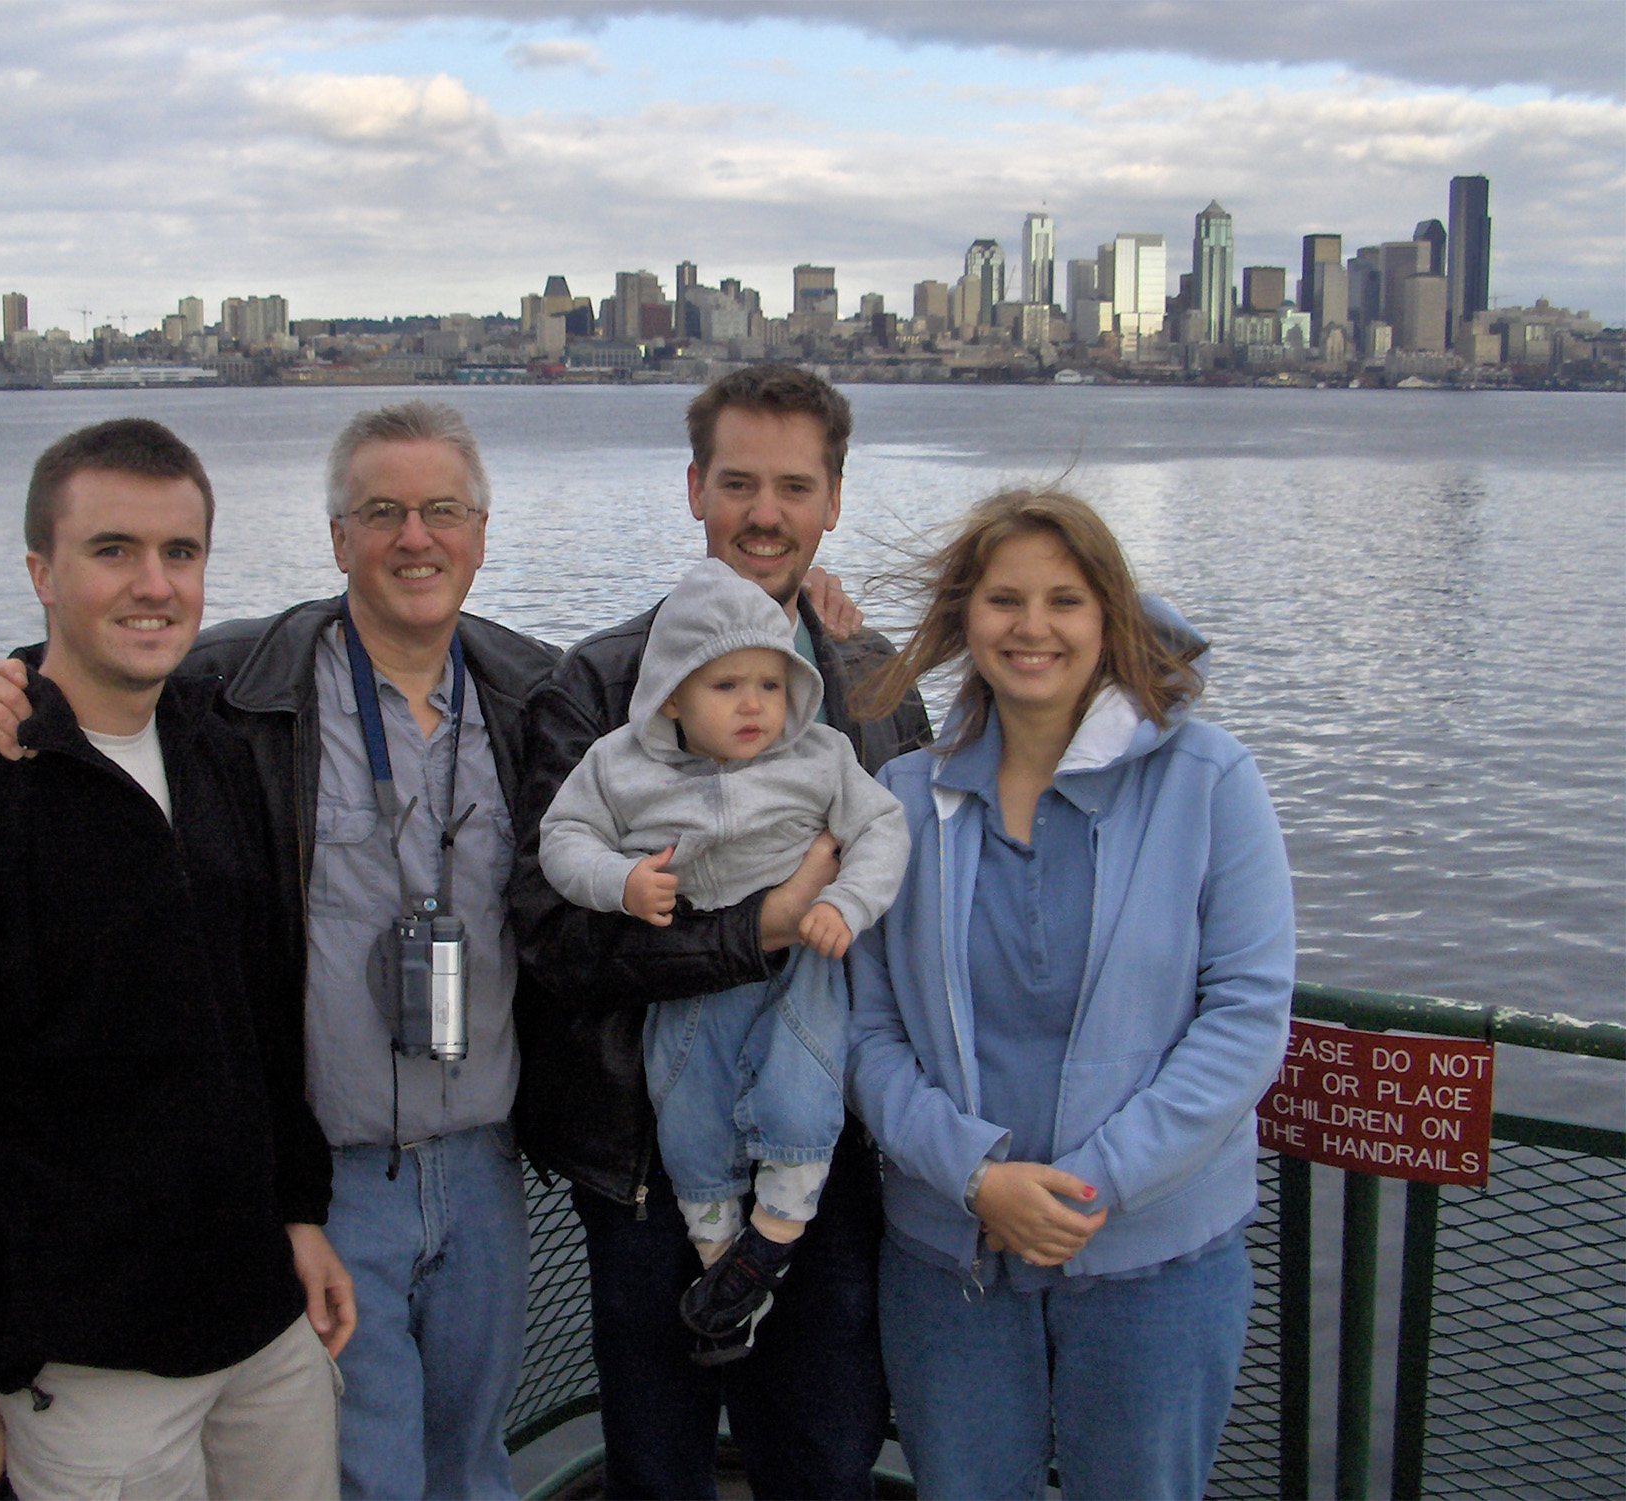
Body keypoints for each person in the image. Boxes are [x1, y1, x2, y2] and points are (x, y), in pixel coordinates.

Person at [0, 401, 559, 1501]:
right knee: (365, 1473)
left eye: (442, 510)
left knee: (471, 1462)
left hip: (489, 1164)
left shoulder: (539, 691)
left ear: (482, 531)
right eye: (381, 512)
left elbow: (703, 699)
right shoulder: (244, 685)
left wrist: (829, 628)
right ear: (336, 537)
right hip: (332, 1172)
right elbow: (101, 673)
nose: (415, 537)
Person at [0, 418, 353, 1501]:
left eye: (181, 552)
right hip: (88, 1366)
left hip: (263, 1323)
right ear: (41, 571)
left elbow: (264, 1013)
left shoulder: (215, 754)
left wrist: (297, 1210)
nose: (152, 585)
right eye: (112, 550)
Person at [511, 364, 930, 1498]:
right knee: (657, 1469)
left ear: (832, 502)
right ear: (692, 489)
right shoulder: (599, 686)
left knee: (825, 1457)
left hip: (831, 1168)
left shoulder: (874, 682)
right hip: (649, 1171)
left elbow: (917, 907)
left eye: (792, 486)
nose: (763, 513)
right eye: (737, 481)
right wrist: (764, 929)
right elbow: (551, 938)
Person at [844, 488, 1296, 1500]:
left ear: (1108, 619)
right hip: (947, 1258)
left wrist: (1094, 1184)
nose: (1032, 626)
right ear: (967, 615)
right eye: (1004, 599)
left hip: (1157, 1262)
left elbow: (1244, 1015)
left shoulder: (1209, 779)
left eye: (1064, 599)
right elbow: (867, 1033)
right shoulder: (905, 801)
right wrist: (973, 1177)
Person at [538, 556, 909, 1365]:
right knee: (690, 1120)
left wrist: (844, 905)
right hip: (687, 977)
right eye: (726, 685)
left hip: (799, 965)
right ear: (671, 693)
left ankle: (771, 1237)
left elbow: (884, 829)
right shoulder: (616, 765)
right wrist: (621, 880)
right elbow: (560, 841)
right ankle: (727, 1282)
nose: (753, 704)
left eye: (771, 685)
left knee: (802, 1099)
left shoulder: (819, 758)